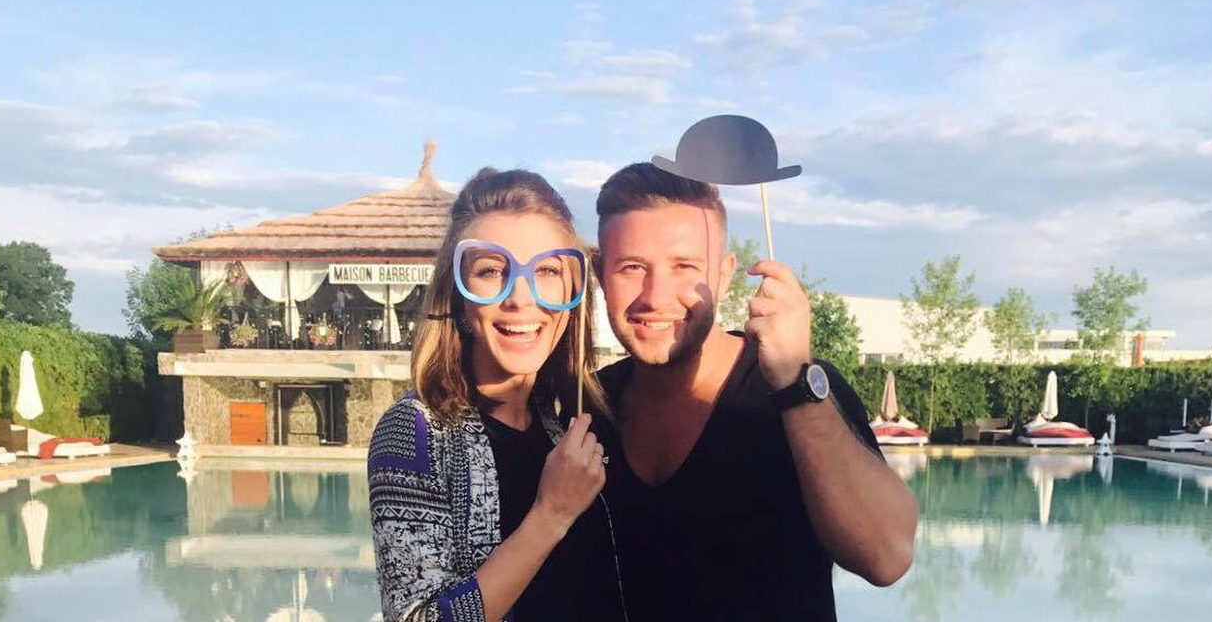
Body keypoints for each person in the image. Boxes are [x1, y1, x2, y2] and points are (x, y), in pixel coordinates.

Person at [592, 163, 918, 621]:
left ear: (724, 275)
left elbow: (887, 557)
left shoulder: (800, 389)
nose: (655, 295)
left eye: (685, 267)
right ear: (599, 273)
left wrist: (794, 385)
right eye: (631, 267)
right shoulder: (591, 405)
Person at [368, 168, 626, 622]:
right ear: (458, 294)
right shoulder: (417, 430)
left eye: (547, 270)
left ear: (574, 290)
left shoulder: (566, 419)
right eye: (491, 271)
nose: (521, 298)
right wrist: (551, 515)